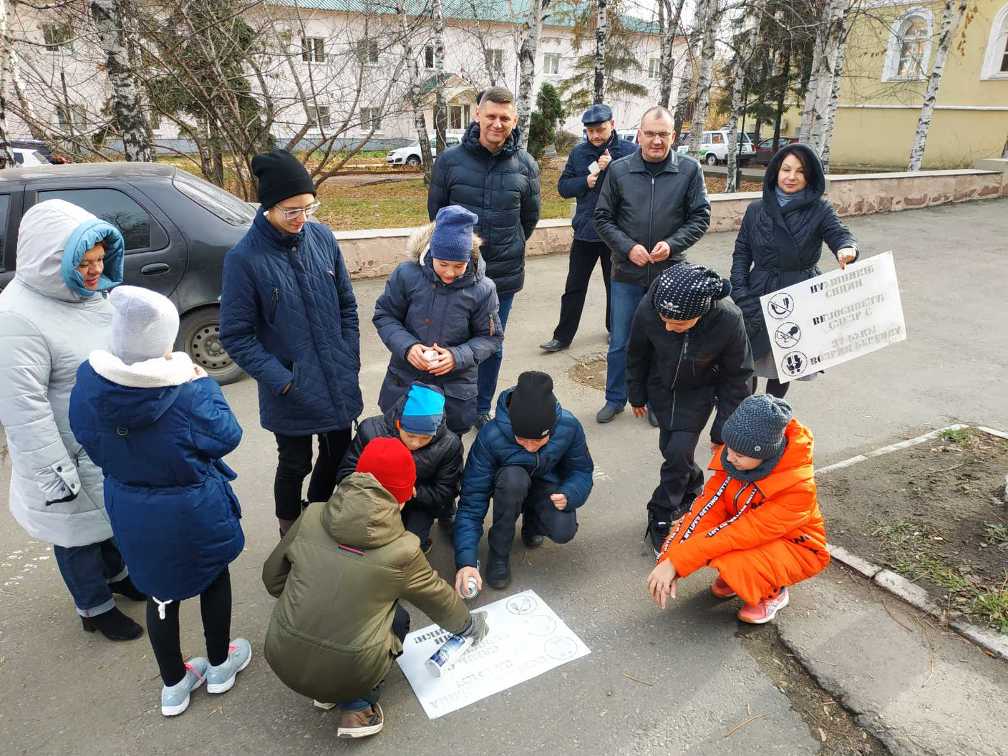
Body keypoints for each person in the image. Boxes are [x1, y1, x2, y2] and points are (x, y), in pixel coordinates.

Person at [69, 286, 251, 717]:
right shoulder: (187, 390)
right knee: (212, 577)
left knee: (159, 592)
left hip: (130, 504)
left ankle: (174, 684)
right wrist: (202, 381)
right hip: (193, 505)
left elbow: (86, 438)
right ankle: (221, 665)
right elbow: (228, 436)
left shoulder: (90, 384)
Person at [262, 437, 488, 740]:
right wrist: (470, 626)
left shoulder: (313, 514)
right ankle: (357, 707)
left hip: (281, 656)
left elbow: (272, 579)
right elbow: (439, 600)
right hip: (349, 673)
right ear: (403, 495)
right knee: (398, 618)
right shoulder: (402, 549)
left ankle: (324, 691)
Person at [0, 199, 146, 642]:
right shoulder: (16, 319)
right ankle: (93, 607)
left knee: (108, 520)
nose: (94, 271)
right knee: (75, 534)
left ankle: (117, 575)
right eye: (83, 263)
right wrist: (53, 474)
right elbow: (22, 408)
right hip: (61, 451)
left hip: (102, 444)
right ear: (51, 262)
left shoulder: (86, 296)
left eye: (100, 260)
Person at [220, 148, 363, 537]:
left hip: (336, 376)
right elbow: (236, 335)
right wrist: (284, 381)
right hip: (290, 390)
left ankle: (316, 519)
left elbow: (347, 305)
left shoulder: (321, 237)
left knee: (335, 458)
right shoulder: (244, 260)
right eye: (292, 211)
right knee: (294, 464)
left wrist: (349, 355)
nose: (302, 219)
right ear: (268, 207)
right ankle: (289, 530)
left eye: (308, 208)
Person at [647, 395, 829, 625]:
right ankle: (738, 578)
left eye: (739, 454)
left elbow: (741, 532)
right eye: (729, 448)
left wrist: (679, 562)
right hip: (748, 531)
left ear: (765, 453)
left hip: (799, 546)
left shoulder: (797, 489)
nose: (729, 458)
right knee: (710, 543)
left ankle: (774, 593)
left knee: (731, 556)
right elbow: (705, 509)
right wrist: (669, 559)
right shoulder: (735, 459)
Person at [428, 86, 541, 429]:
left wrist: (509, 248)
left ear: (515, 120)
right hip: (454, 273)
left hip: (501, 278)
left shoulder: (525, 164)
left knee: (491, 345)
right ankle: (445, 407)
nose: (497, 123)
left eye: (504, 118)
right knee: (450, 341)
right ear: (477, 115)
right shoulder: (450, 161)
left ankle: (480, 408)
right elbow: (437, 214)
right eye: (491, 115)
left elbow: (529, 218)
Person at [593, 105, 711, 426]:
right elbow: (602, 217)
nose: (656, 141)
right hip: (627, 273)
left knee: (665, 343)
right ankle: (615, 398)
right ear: (639, 135)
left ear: (673, 136)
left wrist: (672, 244)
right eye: (650, 134)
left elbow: (701, 217)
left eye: (663, 134)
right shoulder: (618, 171)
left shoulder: (689, 170)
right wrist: (627, 247)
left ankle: (657, 401)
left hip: (670, 274)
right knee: (621, 341)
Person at [627, 264, 753, 555]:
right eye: (665, 320)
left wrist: (723, 430)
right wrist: (636, 394)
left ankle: (661, 510)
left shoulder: (729, 319)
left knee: (677, 452)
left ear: (702, 312)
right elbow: (636, 353)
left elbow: (738, 378)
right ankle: (693, 485)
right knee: (671, 450)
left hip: (699, 391)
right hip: (661, 388)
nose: (669, 327)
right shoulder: (651, 307)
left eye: (679, 324)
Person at [730, 143, 857, 398]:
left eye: (799, 171)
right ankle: (743, 417)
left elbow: (840, 235)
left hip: (799, 292)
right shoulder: (756, 209)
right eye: (786, 169)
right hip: (758, 291)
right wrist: (740, 291)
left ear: (809, 176)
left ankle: (770, 418)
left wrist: (847, 249)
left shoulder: (820, 210)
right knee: (748, 362)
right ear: (775, 171)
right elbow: (742, 252)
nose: (791, 176)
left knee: (784, 364)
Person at [453, 371, 594, 592]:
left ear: (553, 427)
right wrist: (466, 561)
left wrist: (570, 493)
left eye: (539, 440)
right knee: (513, 480)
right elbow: (471, 503)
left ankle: (533, 525)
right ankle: (499, 553)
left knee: (563, 530)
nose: (530, 447)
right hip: (509, 487)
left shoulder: (569, 426)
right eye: (522, 439)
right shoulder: (490, 437)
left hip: (545, 484)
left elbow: (582, 470)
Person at [373, 205, 502, 434]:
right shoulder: (406, 275)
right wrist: (408, 347)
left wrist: (456, 356)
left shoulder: (483, 289)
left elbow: (490, 339)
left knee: (446, 456)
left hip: (453, 393)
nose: (450, 273)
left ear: (469, 258)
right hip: (405, 382)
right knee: (399, 443)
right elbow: (385, 315)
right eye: (443, 264)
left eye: (458, 266)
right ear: (431, 253)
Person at [540, 103, 637, 354]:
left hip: (616, 234)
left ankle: (614, 328)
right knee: (574, 286)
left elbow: (638, 189)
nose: (595, 135)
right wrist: (586, 180)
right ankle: (562, 336)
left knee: (614, 285)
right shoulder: (579, 153)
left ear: (612, 125)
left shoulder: (629, 151)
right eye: (590, 131)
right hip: (585, 231)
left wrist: (612, 167)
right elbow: (563, 188)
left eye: (600, 129)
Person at [336, 382, 463, 553]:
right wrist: (378, 488)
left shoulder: (449, 444)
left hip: (418, 503)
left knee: (410, 547)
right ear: (398, 424)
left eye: (425, 438)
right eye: (410, 435)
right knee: (364, 541)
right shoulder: (370, 430)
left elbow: (446, 491)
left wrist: (414, 492)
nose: (415, 443)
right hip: (370, 498)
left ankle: (422, 542)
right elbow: (345, 473)